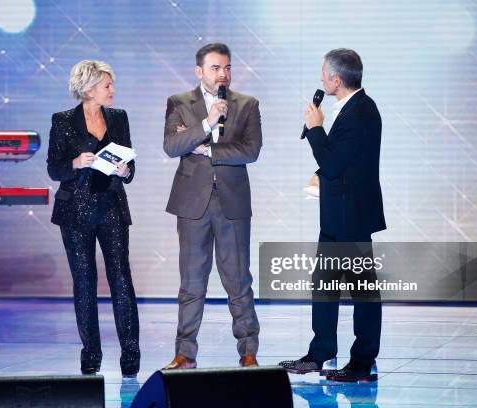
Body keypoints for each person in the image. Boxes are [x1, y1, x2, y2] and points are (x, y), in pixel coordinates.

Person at [279, 48, 386, 382]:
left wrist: (314, 128)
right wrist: (319, 174)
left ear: (337, 80)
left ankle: (362, 361)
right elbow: (341, 160)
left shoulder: (361, 111)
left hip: (352, 216)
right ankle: (319, 352)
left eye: (324, 74)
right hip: (337, 216)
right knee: (323, 285)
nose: (322, 79)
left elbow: (334, 161)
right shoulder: (351, 109)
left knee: (361, 291)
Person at [162, 43, 262, 369]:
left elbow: (250, 150)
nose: (223, 74)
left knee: (238, 280)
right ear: (200, 71)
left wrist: (207, 151)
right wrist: (206, 123)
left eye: (227, 68)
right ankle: (185, 353)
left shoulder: (246, 105)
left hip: (232, 203)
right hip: (192, 204)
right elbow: (173, 145)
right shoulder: (179, 103)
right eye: (216, 68)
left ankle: (248, 353)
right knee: (191, 282)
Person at [47, 60, 140, 377]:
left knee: (121, 280)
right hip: (75, 211)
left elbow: (130, 165)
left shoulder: (119, 118)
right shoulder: (62, 121)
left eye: (112, 85)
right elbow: (53, 168)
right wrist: (74, 162)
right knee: (84, 283)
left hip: (111, 208)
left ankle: (131, 352)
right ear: (88, 89)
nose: (113, 91)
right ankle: (91, 353)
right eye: (107, 86)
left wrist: (125, 170)